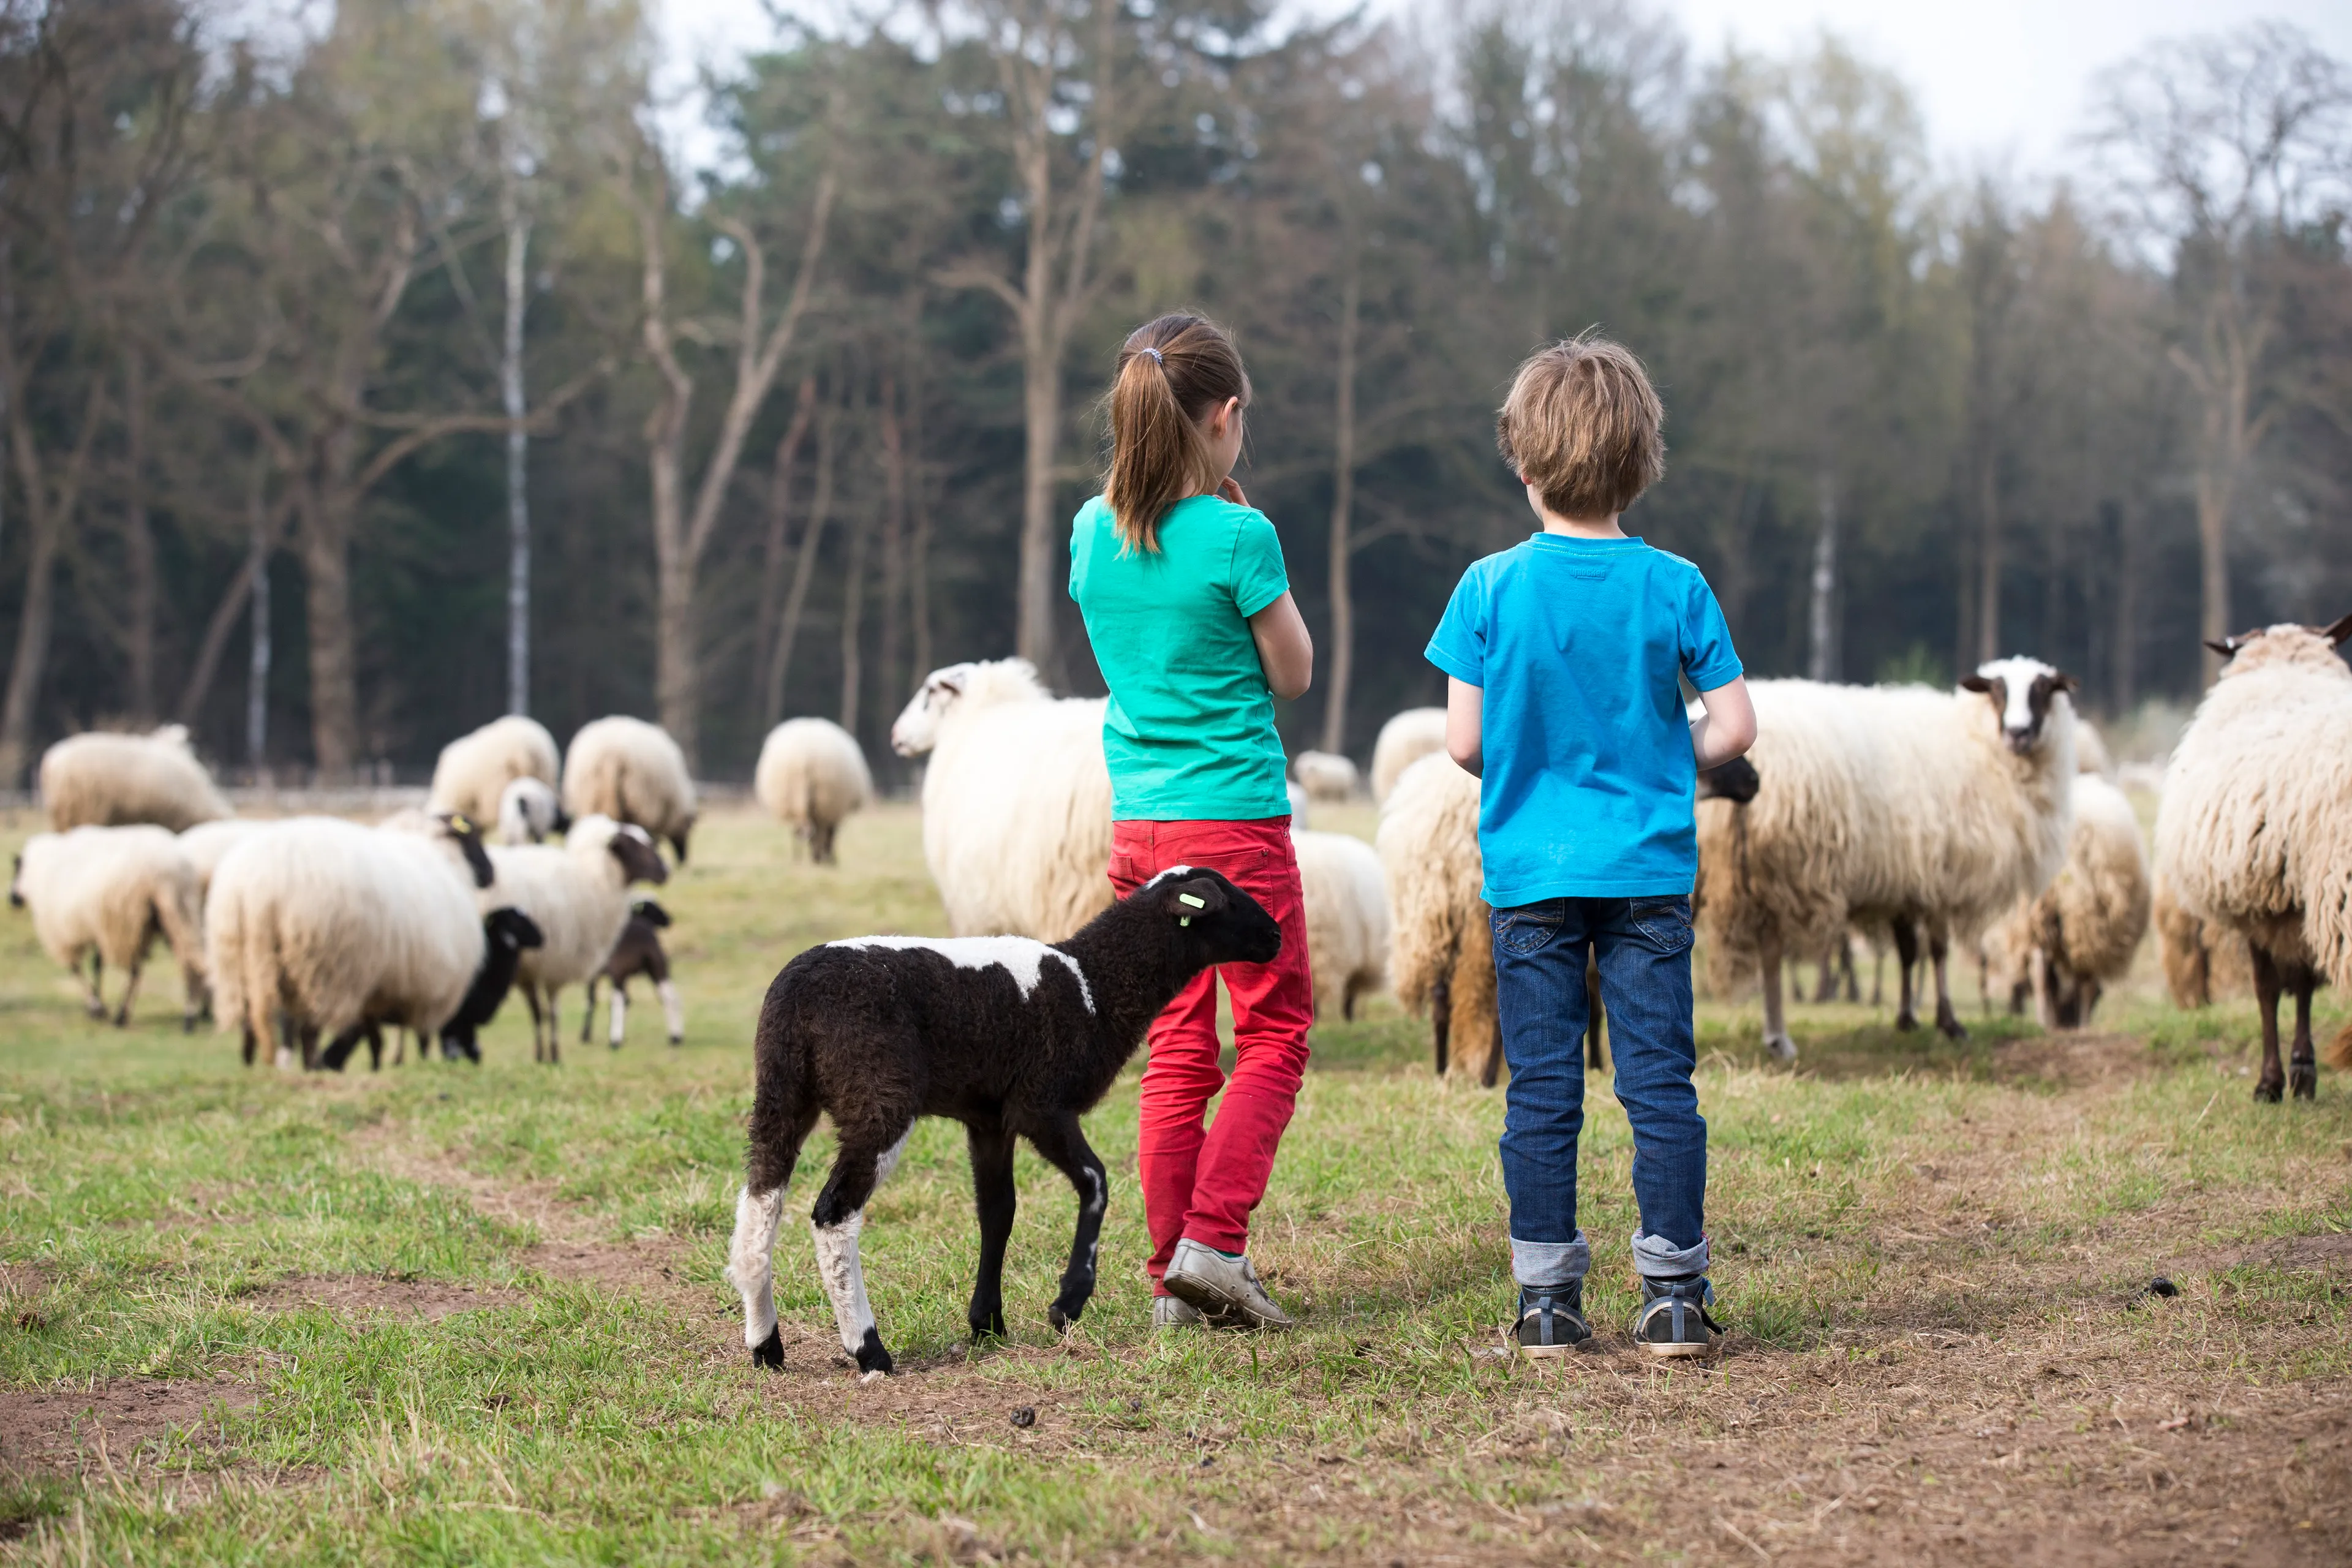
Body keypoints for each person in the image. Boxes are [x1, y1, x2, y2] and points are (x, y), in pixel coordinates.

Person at [1425, 333, 1757, 1359]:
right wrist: (1663, 754)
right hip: (1649, 874)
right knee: (1658, 1083)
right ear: (1642, 463)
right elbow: (1737, 728)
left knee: (1543, 1088)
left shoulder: (1487, 586)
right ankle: (1673, 1295)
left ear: (1523, 466)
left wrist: (1539, 761)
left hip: (1531, 876)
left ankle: (1546, 1303)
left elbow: (1465, 743)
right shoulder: (1676, 584)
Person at [1068, 312, 1316, 1333]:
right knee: (1275, 1028)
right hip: (1235, 825)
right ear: (1226, 416)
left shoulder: (1091, 530)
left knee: (1175, 1041)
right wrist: (1238, 532)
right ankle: (1215, 1244)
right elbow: (1293, 673)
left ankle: (1174, 1273)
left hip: (1142, 826)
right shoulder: (1241, 535)